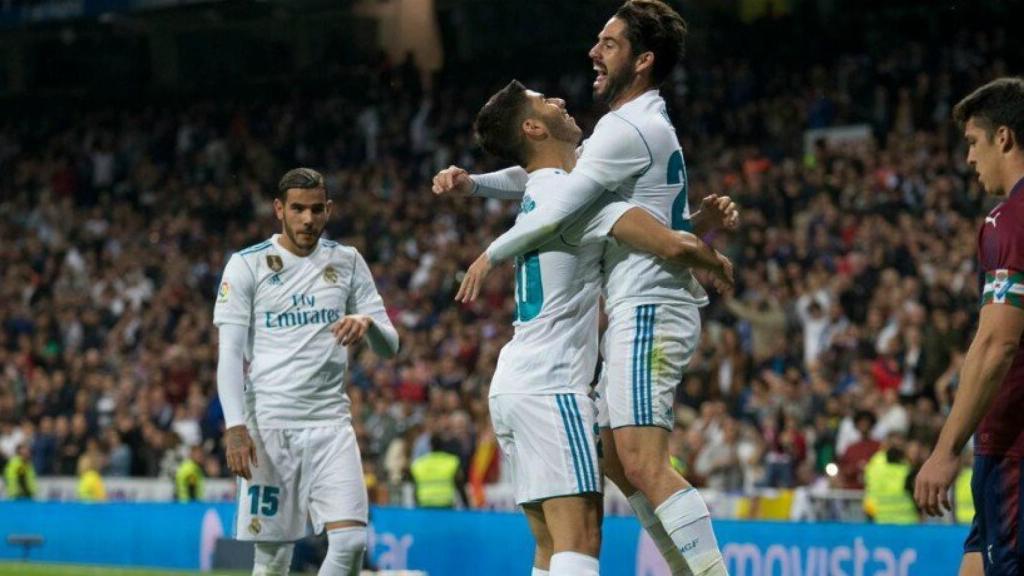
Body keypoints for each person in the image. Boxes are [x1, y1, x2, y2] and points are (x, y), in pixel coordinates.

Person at [433, 2, 734, 573]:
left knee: (624, 476)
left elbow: (549, 188)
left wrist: (480, 211)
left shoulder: (603, 148)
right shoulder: (593, 171)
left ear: (643, 60)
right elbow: (656, 236)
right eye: (549, 104)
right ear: (535, 128)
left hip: (592, 338)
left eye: (610, 43)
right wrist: (703, 245)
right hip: (559, 376)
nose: (592, 56)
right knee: (606, 498)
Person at [214, 167, 399, 576]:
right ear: (279, 209)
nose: (307, 219)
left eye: (316, 210)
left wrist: (368, 326)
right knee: (274, 558)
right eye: (297, 209)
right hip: (270, 427)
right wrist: (236, 427)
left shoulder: (347, 261)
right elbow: (229, 354)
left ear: (328, 210)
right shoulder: (247, 266)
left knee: (350, 544)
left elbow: (391, 345)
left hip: (331, 425)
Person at [914, 77, 1024, 576]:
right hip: (1002, 447)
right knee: (976, 563)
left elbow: (998, 343)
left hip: (1012, 449)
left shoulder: (1011, 221)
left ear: (1004, 137)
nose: (969, 160)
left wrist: (944, 450)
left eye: (973, 143)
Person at [410, 435, 463, 509]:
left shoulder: (419, 463)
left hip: (425, 503)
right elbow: (459, 483)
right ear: (443, 445)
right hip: (446, 503)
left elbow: (415, 486)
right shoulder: (452, 461)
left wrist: (415, 503)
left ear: (430, 446)